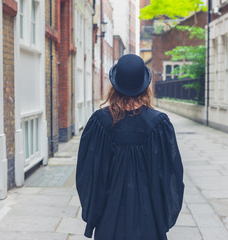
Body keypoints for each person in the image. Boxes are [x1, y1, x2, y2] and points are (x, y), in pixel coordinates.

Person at [76, 54, 185, 240]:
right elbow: (171, 177)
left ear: (115, 85)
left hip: (109, 220)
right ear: (144, 86)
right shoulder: (159, 124)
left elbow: (87, 176)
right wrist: (163, 216)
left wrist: (94, 214)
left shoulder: (100, 123)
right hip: (148, 221)